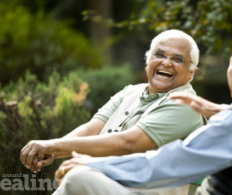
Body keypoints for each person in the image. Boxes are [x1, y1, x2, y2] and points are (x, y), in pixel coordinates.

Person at [52, 27, 232, 195]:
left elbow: (170, 163)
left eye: (230, 62)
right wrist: (226, 111)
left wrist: (97, 164)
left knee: (78, 178)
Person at [20, 29, 206, 194]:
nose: (166, 62)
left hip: (146, 190)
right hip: (111, 182)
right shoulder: (130, 92)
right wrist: (52, 150)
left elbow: (129, 143)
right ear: (148, 62)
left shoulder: (185, 103)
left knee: (79, 177)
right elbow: (91, 130)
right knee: (77, 176)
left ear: (191, 72)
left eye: (177, 58)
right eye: (160, 55)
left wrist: (54, 147)